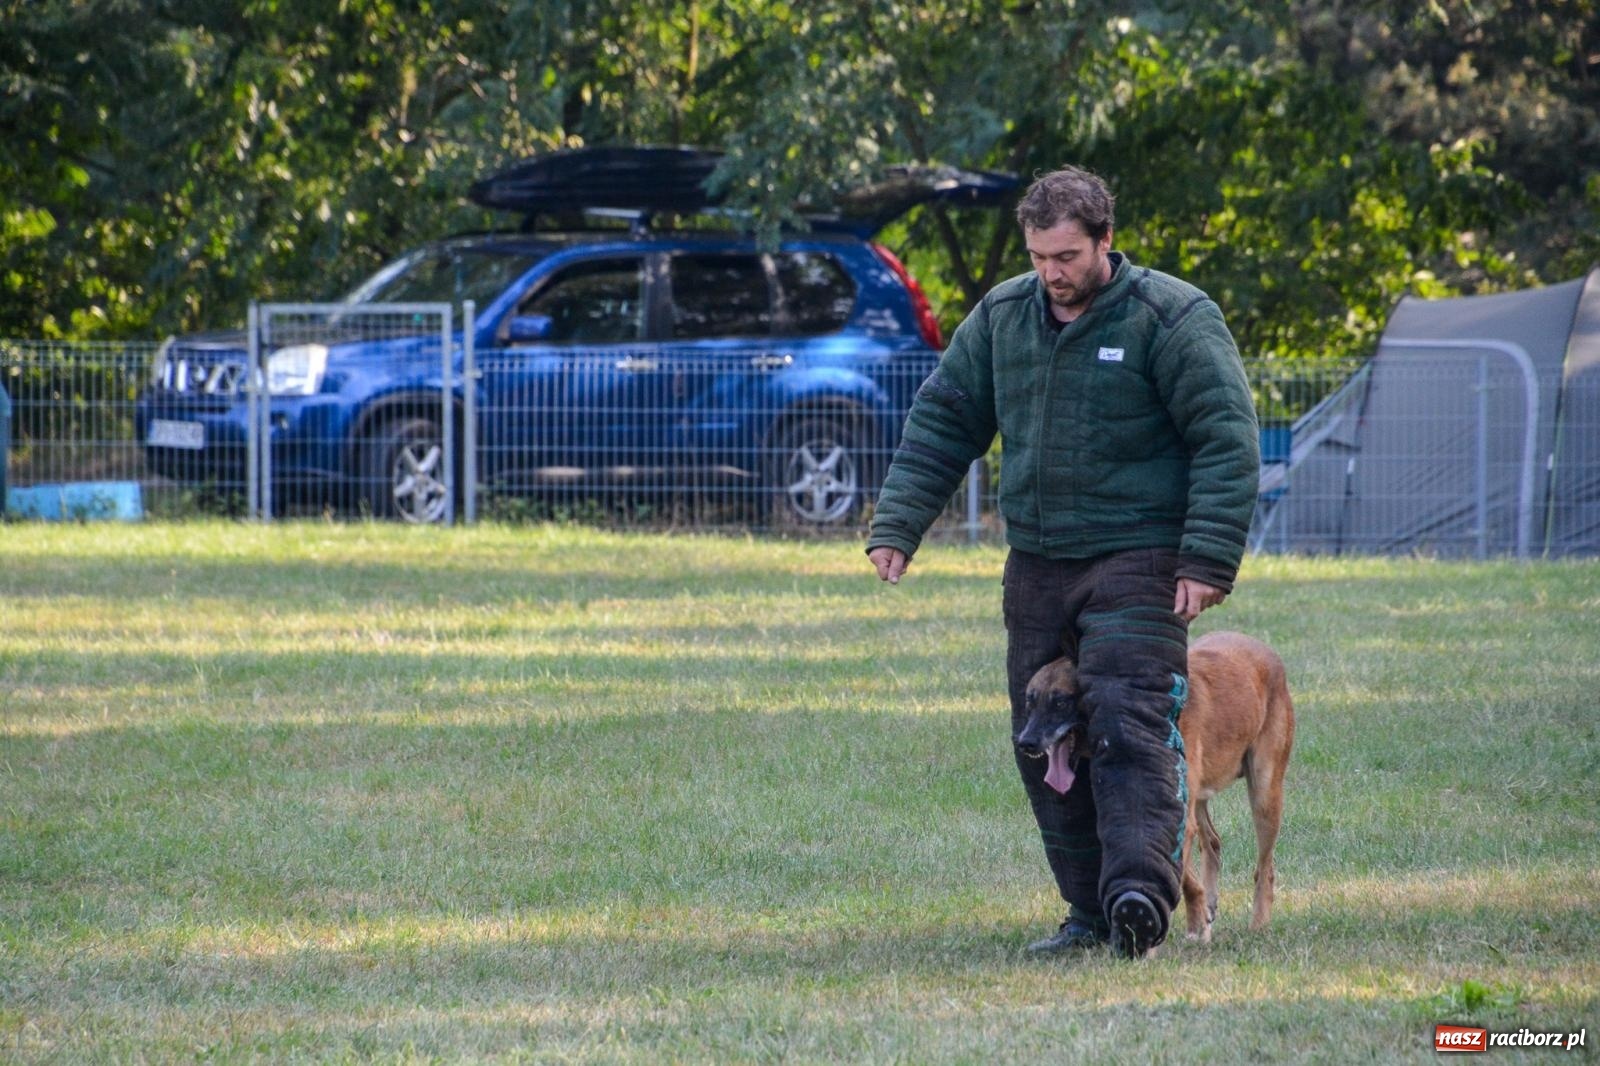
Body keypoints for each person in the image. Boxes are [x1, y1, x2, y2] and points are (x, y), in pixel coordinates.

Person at [865, 166, 1259, 958]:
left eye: (1069, 256)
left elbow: (1226, 435)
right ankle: (1084, 913)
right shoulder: (1004, 317)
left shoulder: (1171, 317)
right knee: (1046, 735)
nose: (1053, 272)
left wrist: (1207, 557)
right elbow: (946, 416)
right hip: (1039, 565)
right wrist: (899, 523)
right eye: (1040, 256)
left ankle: (1140, 900)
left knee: (1128, 721)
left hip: (1139, 559)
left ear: (1106, 242)